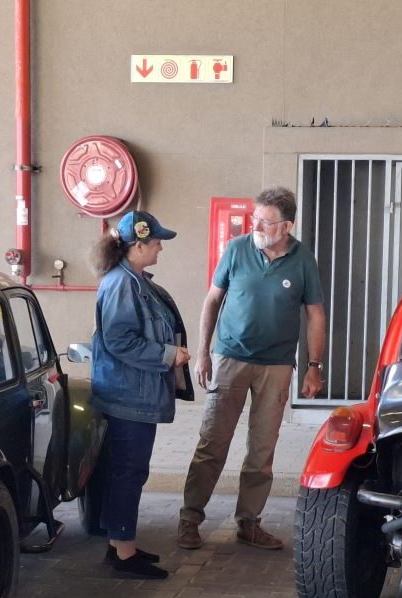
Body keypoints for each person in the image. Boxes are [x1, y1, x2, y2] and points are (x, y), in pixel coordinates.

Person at [178, 186, 326, 550]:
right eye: (254, 218)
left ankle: (249, 522)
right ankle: (190, 518)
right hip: (230, 358)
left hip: (276, 366)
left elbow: (315, 314)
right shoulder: (237, 249)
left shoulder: (303, 260)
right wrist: (204, 352)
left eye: (265, 221)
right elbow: (212, 300)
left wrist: (314, 366)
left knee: (262, 451)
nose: (255, 226)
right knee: (213, 443)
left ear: (286, 226)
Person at [90, 209, 193, 578]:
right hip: (127, 396)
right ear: (137, 245)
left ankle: (120, 545)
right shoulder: (122, 284)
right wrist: (168, 355)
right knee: (128, 471)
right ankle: (123, 553)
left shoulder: (133, 281)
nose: (160, 248)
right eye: (156, 242)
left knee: (128, 470)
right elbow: (119, 340)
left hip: (132, 394)